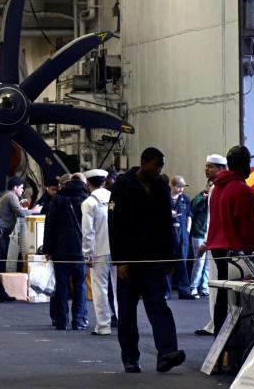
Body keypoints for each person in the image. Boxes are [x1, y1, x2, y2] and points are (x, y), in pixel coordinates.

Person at [109, 147, 185, 374]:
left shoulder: (161, 186)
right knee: (127, 311)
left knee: (158, 305)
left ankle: (167, 353)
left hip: (154, 259)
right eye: (156, 166)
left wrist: (170, 259)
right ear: (144, 163)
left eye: (161, 166)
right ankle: (130, 358)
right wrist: (119, 261)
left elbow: (165, 225)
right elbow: (114, 225)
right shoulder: (122, 186)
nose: (159, 170)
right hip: (130, 261)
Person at [205, 145, 254, 334]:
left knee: (222, 296)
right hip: (236, 253)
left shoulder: (217, 188)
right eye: (249, 162)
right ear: (244, 164)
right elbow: (249, 228)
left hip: (218, 250)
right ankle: (238, 345)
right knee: (244, 300)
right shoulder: (242, 190)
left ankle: (219, 345)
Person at [43, 172, 88, 331]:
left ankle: (62, 321)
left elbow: (50, 226)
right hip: (81, 250)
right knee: (80, 285)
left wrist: (47, 249)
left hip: (60, 250)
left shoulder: (57, 199)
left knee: (61, 286)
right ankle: (79, 320)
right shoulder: (86, 199)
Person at [194, 153, 228, 336]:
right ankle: (215, 321)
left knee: (215, 285)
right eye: (206, 165)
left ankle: (216, 323)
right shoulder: (219, 187)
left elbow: (214, 220)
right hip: (219, 242)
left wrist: (206, 243)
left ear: (221, 169)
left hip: (216, 243)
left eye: (210, 166)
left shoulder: (216, 188)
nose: (206, 169)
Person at [81, 169, 117, 336]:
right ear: (104, 182)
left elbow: (88, 232)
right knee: (119, 288)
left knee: (100, 288)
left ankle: (103, 325)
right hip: (117, 249)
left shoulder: (88, 203)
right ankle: (122, 321)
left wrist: (87, 253)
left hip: (98, 251)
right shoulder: (114, 198)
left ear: (88, 184)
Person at [0, 176, 41, 272]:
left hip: (0, 232)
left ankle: (1, 281)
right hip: (1, 233)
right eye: (21, 187)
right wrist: (34, 210)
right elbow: (21, 213)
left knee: (2, 258)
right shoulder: (12, 196)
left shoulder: (6, 195)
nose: (23, 190)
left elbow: (17, 211)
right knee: (3, 258)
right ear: (15, 188)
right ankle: (1, 282)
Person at [168, 176, 195, 299]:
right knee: (167, 263)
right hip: (168, 234)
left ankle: (184, 291)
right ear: (172, 186)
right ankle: (165, 292)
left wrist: (188, 231)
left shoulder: (185, 199)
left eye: (183, 187)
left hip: (182, 234)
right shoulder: (164, 198)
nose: (181, 190)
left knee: (182, 263)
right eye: (179, 187)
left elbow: (189, 216)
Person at [189, 178, 211, 299]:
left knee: (208, 264)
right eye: (210, 185)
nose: (212, 186)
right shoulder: (200, 196)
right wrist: (203, 201)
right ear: (207, 185)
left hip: (210, 235)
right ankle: (193, 287)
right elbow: (193, 210)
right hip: (198, 235)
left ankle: (205, 287)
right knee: (199, 263)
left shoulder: (216, 196)